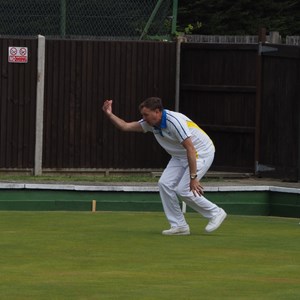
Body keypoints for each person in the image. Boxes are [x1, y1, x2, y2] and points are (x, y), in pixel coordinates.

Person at [102, 97, 227, 235]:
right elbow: (125, 126)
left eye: (146, 115)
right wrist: (109, 114)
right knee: (164, 184)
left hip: (201, 152)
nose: (143, 118)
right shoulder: (150, 123)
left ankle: (216, 213)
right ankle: (179, 226)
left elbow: (191, 149)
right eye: (142, 115)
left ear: (157, 111)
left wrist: (193, 178)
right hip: (180, 156)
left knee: (183, 190)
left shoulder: (174, 122)